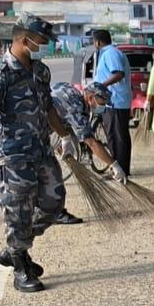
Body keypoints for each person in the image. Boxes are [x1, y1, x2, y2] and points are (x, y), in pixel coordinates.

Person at [0, 16, 82, 293]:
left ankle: (13, 248)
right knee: (18, 211)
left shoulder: (40, 71)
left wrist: (65, 135)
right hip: (13, 156)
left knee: (54, 203)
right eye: (42, 41)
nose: (45, 46)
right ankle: (20, 267)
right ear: (24, 39)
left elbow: (48, 107)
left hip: (41, 150)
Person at [47, 80, 122, 224]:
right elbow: (91, 143)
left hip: (37, 127)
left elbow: (57, 111)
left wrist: (63, 141)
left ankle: (47, 212)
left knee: (45, 174)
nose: (102, 107)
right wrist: (114, 165)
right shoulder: (76, 108)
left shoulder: (70, 89)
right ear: (91, 97)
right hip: (35, 132)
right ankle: (55, 213)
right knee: (52, 175)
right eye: (101, 103)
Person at [90, 28, 133, 178]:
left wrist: (102, 85)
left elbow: (118, 74)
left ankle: (122, 169)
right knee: (112, 136)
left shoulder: (111, 53)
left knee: (118, 136)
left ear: (97, 42)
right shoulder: (106, 53)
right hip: (109, 102)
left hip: (116, 101)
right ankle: (116, 168)